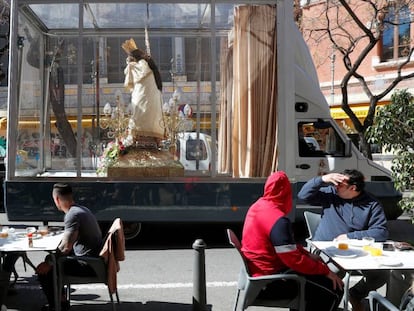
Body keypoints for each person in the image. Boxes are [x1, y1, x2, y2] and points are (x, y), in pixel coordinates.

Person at [241, 171, 344, 311]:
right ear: (286, 193)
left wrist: (307, 255)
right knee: (334, 289)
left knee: (315, 282)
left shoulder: (258, 206)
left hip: (259, 274)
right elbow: (293, 260)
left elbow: (287, 247)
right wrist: (325, 271)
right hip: (270, 281)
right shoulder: (277, 219)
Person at [298, 169, 389, 311]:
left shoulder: (371, 203)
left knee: (381, 275)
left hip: (357, 251)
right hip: (327, 249)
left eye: (340, 184)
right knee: (330, 275)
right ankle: (327, 305)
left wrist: (350, 237)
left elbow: (381, 232)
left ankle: (356, 294)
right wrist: (322, 179)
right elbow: (303, 195)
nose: (335, 186)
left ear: (353, 188)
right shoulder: (331, 194)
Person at [36, 183, 103, 311]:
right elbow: (68, 243)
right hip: (95, 262)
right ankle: (61, 300)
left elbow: (66, 248)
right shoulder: (81, 209)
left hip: (90, 266)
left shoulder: (72, 215)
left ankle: (57, 306)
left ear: (57, 199)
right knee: (49, 259)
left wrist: (49, 263)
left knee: (45, 270)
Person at [122, 38, 165, 144]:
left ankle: (140, 134)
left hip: (145, 94)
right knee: (140, 112)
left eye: (131, 58)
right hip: (143, 92)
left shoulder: (142, 63)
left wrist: (130, 64)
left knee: (141, 113)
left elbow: (138, 72)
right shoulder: (144, 63)